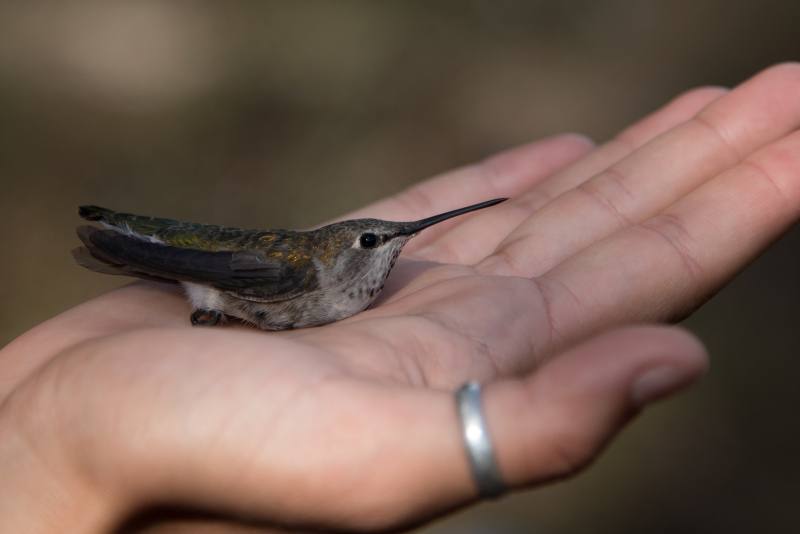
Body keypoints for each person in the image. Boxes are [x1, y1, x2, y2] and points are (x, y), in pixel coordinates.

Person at [1, 63, 799, 534]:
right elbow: (218, 270)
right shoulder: (305, 276)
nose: (393, 249)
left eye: (391, 241)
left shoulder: (337, 279)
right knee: (184, 255)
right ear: (346, 256)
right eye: (375, 243)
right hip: (216, 269)